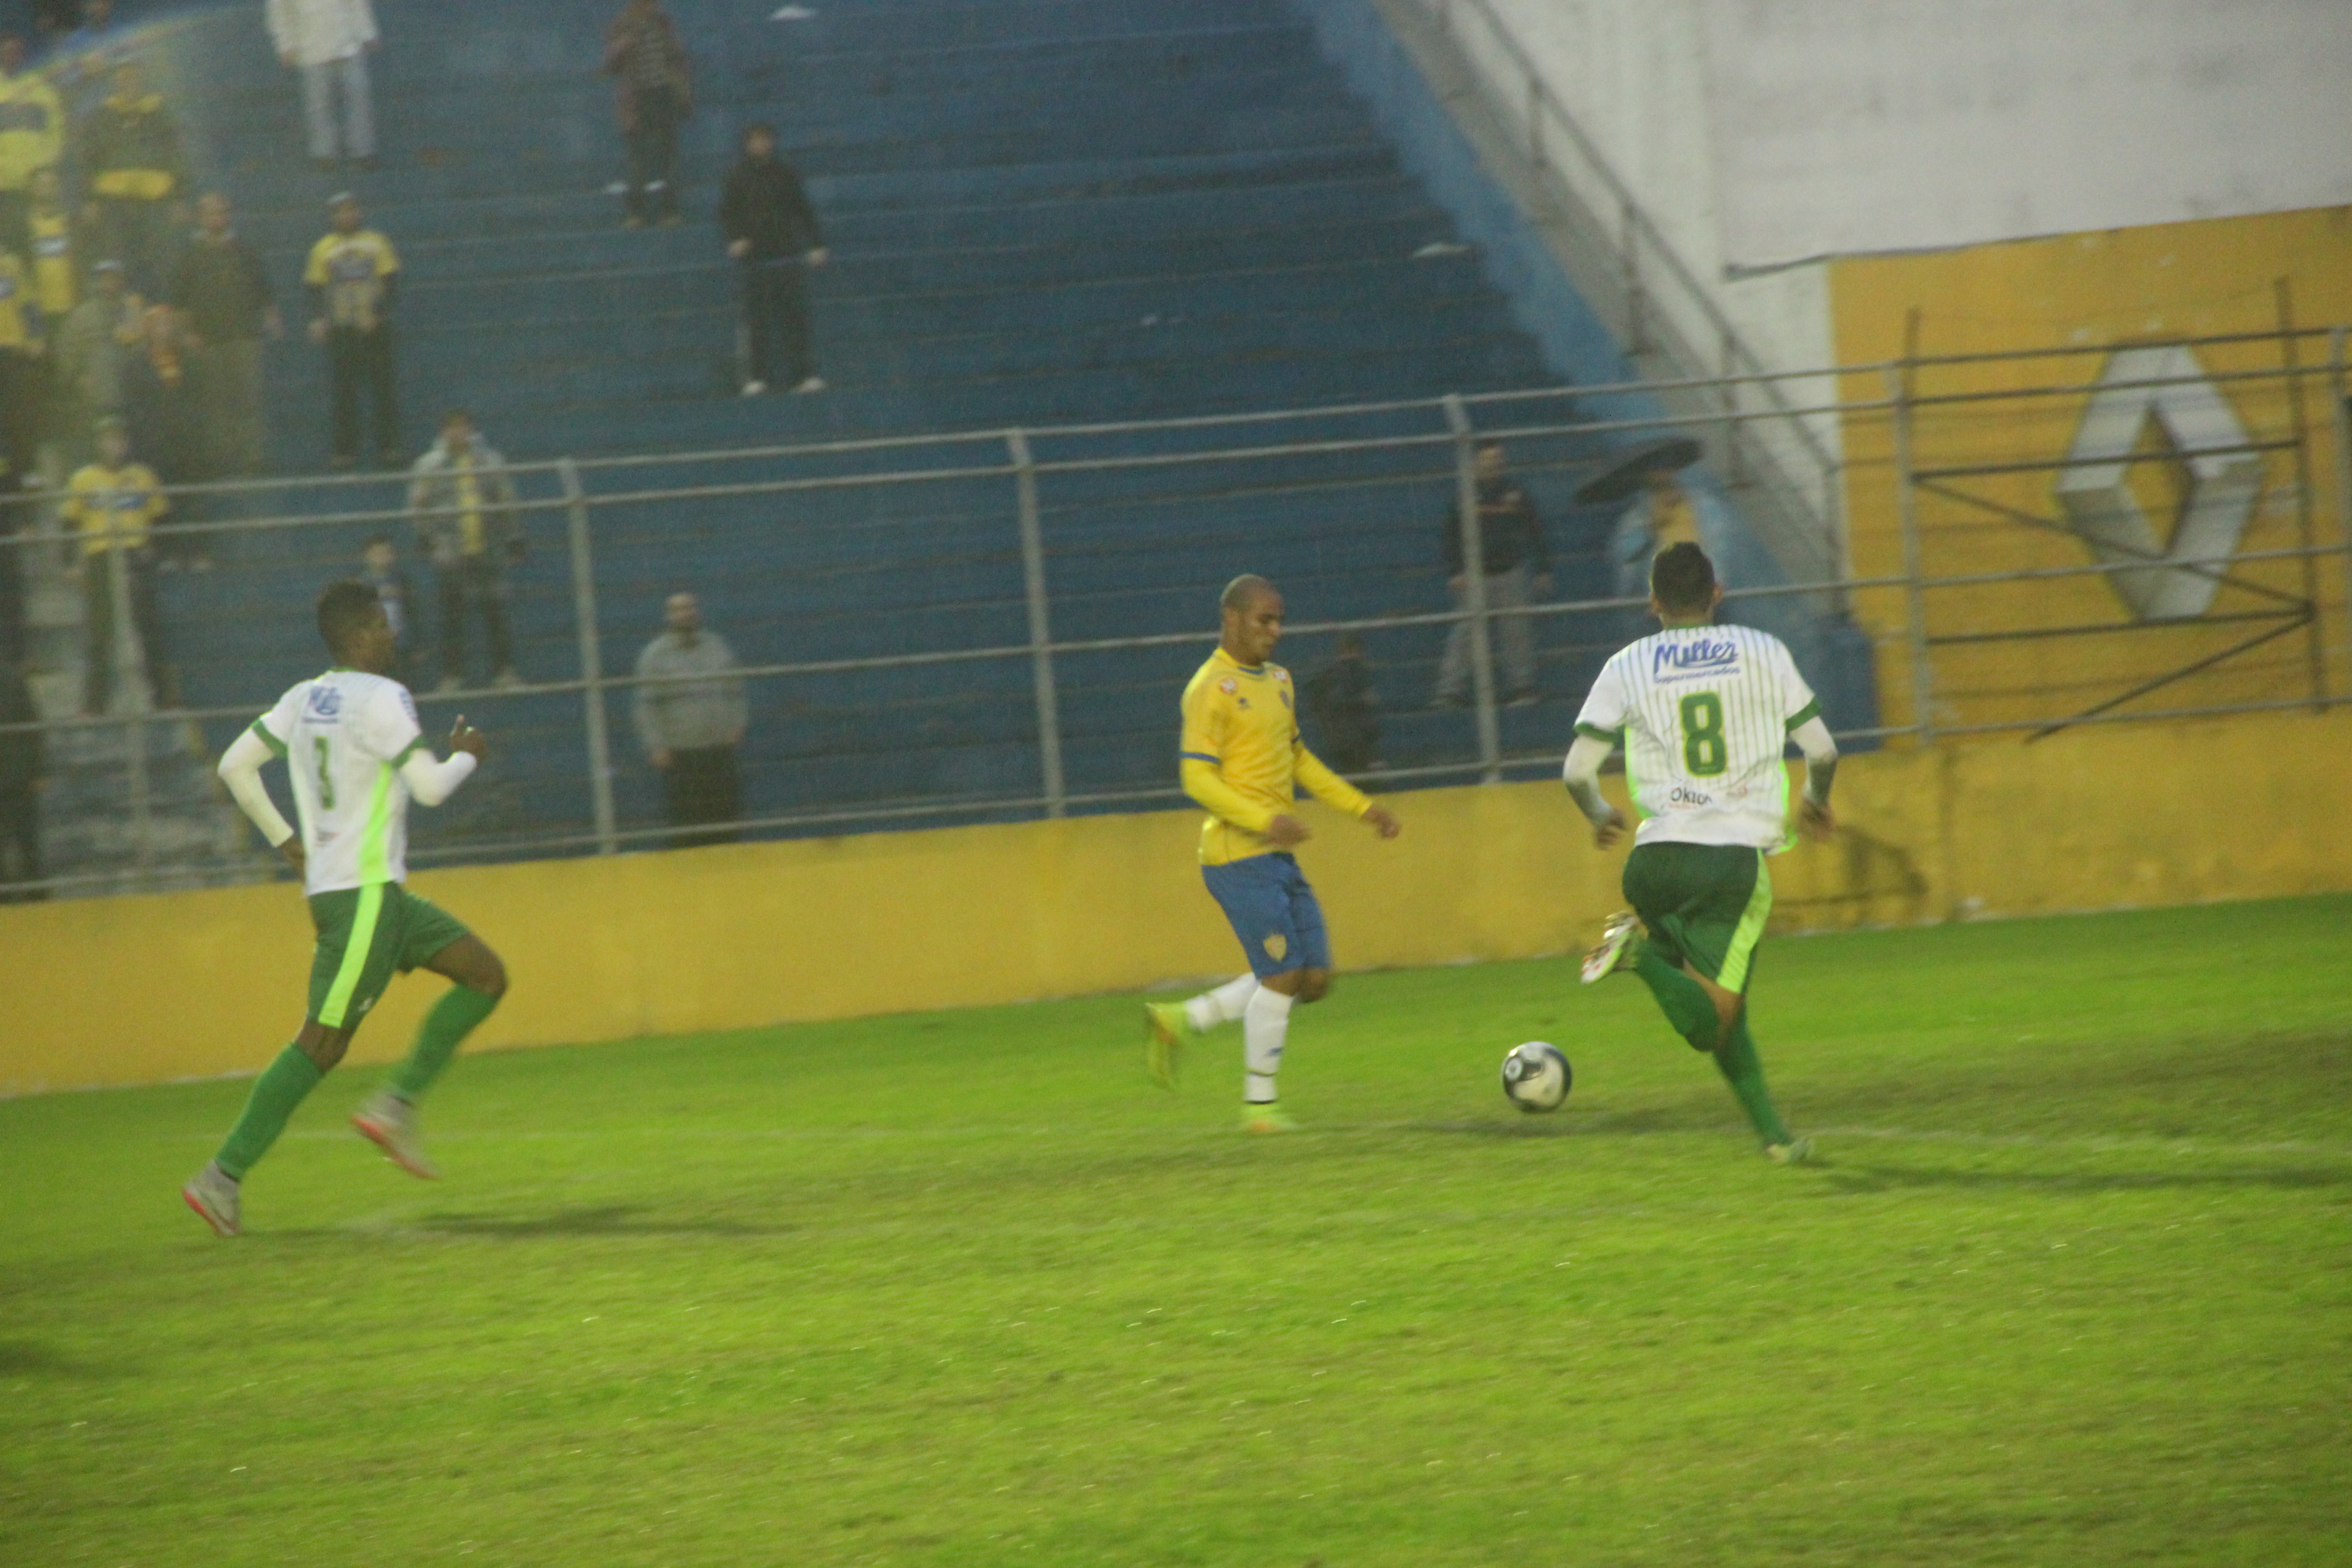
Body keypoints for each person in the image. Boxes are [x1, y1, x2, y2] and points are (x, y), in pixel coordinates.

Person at [182, 578, 508, 1238]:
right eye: (383, 624)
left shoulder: (303, 699)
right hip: (363, 901)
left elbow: (234, 767)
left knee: (485, 975)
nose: (391, 635)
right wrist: (466, 757)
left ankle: (394, 1105)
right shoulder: (385, 698)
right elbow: (432, 788)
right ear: (360, 634)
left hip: (370, 894)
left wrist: (287, 844)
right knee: (323, 1042)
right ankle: (221, 1177)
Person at [1563, 542, 1838, 1164]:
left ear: (1653, 602)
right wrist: (1816, 800)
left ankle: (1775, 1138)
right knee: (1712, 1019)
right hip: (1729, 864)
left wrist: (1601, 815)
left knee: (1721, 1012)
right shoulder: (1763, 652)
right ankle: (1634, 952)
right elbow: (1821, 751)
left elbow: (1577, 771)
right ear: (1717, 593)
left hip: (1654, 861)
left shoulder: (1627, 663)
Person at [1142, 575, 1402, 1131]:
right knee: (1282, 975)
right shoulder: (1210, 688)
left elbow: (1300, 760)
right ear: (1232, 619)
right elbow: (1196, 778)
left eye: (1280, 620)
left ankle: (1182, 1019)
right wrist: (1266, 819)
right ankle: (1259, 1107)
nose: (1275, 631)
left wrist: (1362, 808)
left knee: (1314, 979)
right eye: (1265, 620)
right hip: (1237, 856)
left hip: (1275, 855)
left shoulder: (1280, 682)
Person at [62, 414, 169, 712]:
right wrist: (71, 562)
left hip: (135, 554)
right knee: (99, 634)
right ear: (98, 444)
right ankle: (95, 704)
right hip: (99, 556)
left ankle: (162, 698)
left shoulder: (142, 476)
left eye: (119, 440)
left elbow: (162, 516)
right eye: (108, 440)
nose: (114, 446)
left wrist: (155, 550)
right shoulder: (84, 478)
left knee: (148, 628)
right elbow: (68, 522)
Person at [408, 408, 521, 690]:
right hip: (450, 549)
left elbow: (506, 499)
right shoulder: (430, 466)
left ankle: (503, 672)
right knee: (452, 614)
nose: (458, 433)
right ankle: (452, 675)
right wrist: (426, 535)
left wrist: (513, 535)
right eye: (452, 427)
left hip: (487, 545)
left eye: (463, 427)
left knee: (494, 611)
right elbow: (419, 502)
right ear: (444, 431)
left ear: (471, 430)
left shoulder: (490, 462)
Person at [167, 192, 279, 476]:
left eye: (222, 212)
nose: (217, 218)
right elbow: (178, 302)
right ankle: (222, 461)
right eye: (211, 213)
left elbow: (263, 289)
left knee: (248, 400)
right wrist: (188, 334)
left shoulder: (243, 249)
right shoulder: (190, 255)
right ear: (201, 217)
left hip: (244, 338)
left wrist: (271, 317)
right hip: (209, 341)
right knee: (216, 403)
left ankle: (252, 460)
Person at [1435, 440, 1550, 708]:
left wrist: (1543, 567)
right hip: (1476, 575)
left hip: (1511, 571)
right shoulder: (1466, 495)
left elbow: (1535, 530)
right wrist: (1455, 571)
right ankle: (1450, 690)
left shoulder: (1515, 493)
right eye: (1488, 459)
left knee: (1517, 631)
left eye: (1498, 460)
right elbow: (1451, 535)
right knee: (1465, 633)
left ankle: (1521, 687)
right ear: (1477, 462)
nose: (1494, 465)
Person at [717, 122, 826, 397]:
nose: (760, 145)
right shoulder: (737, 176)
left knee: (794, 319)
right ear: (746, 144)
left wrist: (815, 244)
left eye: (765, 140)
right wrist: (735, 239)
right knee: (756, 322)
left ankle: (804, 374)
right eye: (755, 140)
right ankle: (756, 376)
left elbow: (802, 209)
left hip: (786, 256)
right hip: (755, 260)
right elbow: (728, 213)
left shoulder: (785, 174)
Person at [633, 589, 747, 848]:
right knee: (688, 828)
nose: (685, 614)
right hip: (682, 756)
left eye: (690, 607)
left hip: (719, 752)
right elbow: (646, 706)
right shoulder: (654, 656)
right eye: (678, 609)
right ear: (668, 616)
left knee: (727, 823)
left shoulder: (717, 646)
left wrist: (738, 723)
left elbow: (735, 687)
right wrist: (656, 746)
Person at [302, 192, 399, 468]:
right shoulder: (323, 248)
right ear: (333, 217)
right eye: (340, 212)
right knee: (344, 391)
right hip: (341, 327)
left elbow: (390, 281)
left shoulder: (377, 242)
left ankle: (389, 447)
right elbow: (313, 287)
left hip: (373, 327)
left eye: (351, 211)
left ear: (359, 213)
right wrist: (318, 318)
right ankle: (345, 450)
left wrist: (378, 313)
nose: (346, 216)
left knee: (383, 388)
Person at [79, 61, 187, 297]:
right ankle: (124, 319)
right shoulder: (101, 116)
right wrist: (90, 200)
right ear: (114, 83)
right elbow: (88, 159)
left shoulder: (159, 113)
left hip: (155, 203)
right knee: (118, 261)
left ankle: (162, 317)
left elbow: (175, 155)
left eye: (133, 79)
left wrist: (179, 198)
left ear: (142, 82)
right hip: (115, 205)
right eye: (123, 79)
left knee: (161, 260)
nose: (128, 83)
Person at [603, 0, 692, 229]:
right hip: (637, 98)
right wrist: (623, 45)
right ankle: (636, 212)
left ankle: (669, 210)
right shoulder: (621, 24)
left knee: (668, 157)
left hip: (664, 95)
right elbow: (610, 64)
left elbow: (678, 58)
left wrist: (683, 93)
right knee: (638, 159)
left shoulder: (664, 22)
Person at [265, 0, 379, 170]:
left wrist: (368, 33)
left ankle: (362, 152)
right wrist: (286, 44)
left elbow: (358, 5)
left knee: (358, 99)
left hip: (349, 46)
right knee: (319, 105)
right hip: (311, 50)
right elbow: (280, 12)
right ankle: (324, 153)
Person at [51, 255, 137, 461]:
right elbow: (65, 350)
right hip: (92, 397)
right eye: (104, 278)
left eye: (114, 278)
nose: (109, 284)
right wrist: (77, 377)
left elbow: (143, 346)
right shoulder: (81, 315)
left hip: (129, 393)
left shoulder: (132, 310)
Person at [0, 31, 65, 258]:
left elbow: (56, 131)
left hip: (37, 191)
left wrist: (44, 169)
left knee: (41, 253)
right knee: (9, 254)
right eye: (6, 50)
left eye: (16, 50)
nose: (11, 55)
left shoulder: (42, 89)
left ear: (23, 54)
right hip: (4, 190)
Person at [1302, 632, 1381, 774]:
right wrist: (1363, 699)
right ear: (1354, 650)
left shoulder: (1327, 675)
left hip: (1338, 741)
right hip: (1353, 742)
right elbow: (1340, 701)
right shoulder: (1351, 671)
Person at [0, 239, 43, 491]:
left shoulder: (12, 266)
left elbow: (29, 303)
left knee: (22, 414)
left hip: (14, 350)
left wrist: (36, 337)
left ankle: (28, 469)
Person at [0, 657, 41, 901]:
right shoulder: (12, 678)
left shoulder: (11, 680)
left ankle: (37, 897)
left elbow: (32, 723)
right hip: (17, 774)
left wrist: (37, 769)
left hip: (18, 777)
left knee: (28, 843)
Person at [358, 532, 415, 678]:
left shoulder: (403, 581)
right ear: (367, 556)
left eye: (387, 553)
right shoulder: (359, 584)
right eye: (377, 553)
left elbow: (413, 612)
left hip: (400, 645)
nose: (382, 557)